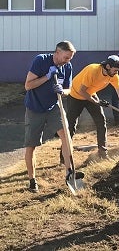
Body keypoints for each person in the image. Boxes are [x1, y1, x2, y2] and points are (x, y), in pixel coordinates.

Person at [23, 41, 84, 192]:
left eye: (70, 58)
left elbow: (69, 89)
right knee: (32, 145)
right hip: (35, 108)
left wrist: (63, 92)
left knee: (66, 135)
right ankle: (32, 180)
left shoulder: (67, 66)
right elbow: (28, 85)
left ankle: (69, 172)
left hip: (54, 107)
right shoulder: (41, 60)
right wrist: (47, 76)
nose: (68, 61)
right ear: (57, 53)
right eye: (66, 57)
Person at [66, 55, 119, 159]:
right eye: (115, 70)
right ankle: (65, 156)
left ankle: (103, 154)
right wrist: (97, 102)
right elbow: (82, 91)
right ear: (108, 66)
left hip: (91, 94)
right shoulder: (93, 70)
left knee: (101, 122)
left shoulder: (113, 76)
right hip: (76, 96)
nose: (116, 73)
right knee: (71, 126)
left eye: (118, 70)